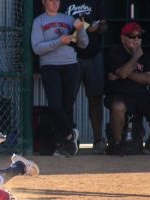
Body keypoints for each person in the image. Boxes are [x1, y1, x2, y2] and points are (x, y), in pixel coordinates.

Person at [104, 22, 150, 156]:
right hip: (119, 94)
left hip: (141, 95)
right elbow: (122, 73)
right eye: (132, 36)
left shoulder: (145, 54)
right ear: (123, 38)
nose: (136, 40)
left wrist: (121, 74)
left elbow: (147, 79)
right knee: (118, 107)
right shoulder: (116, 52)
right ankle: (117, 144)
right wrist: (135, 57)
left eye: (139, 37)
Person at [31, 0, 89, 157]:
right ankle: (70, 135)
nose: (55, 3)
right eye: (51, 0)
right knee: (55, 106)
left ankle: (65, 147)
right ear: (43, 2)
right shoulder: (39, 21)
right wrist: (59, 42)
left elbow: (84, 44)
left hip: (70, 65)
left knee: (67, 106)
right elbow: (37, 48)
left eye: (57, 0)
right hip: (49, 66)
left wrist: (80, 29)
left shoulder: (69, 19)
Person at [61, 0, 108, 154]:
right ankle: (69, 139)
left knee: (95, 98)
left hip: (93, 55)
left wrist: (98, 27)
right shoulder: (61, 3)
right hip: (70, 56)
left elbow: (104, 25)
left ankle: (98, 139)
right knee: (68, 99)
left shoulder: (96, 2)